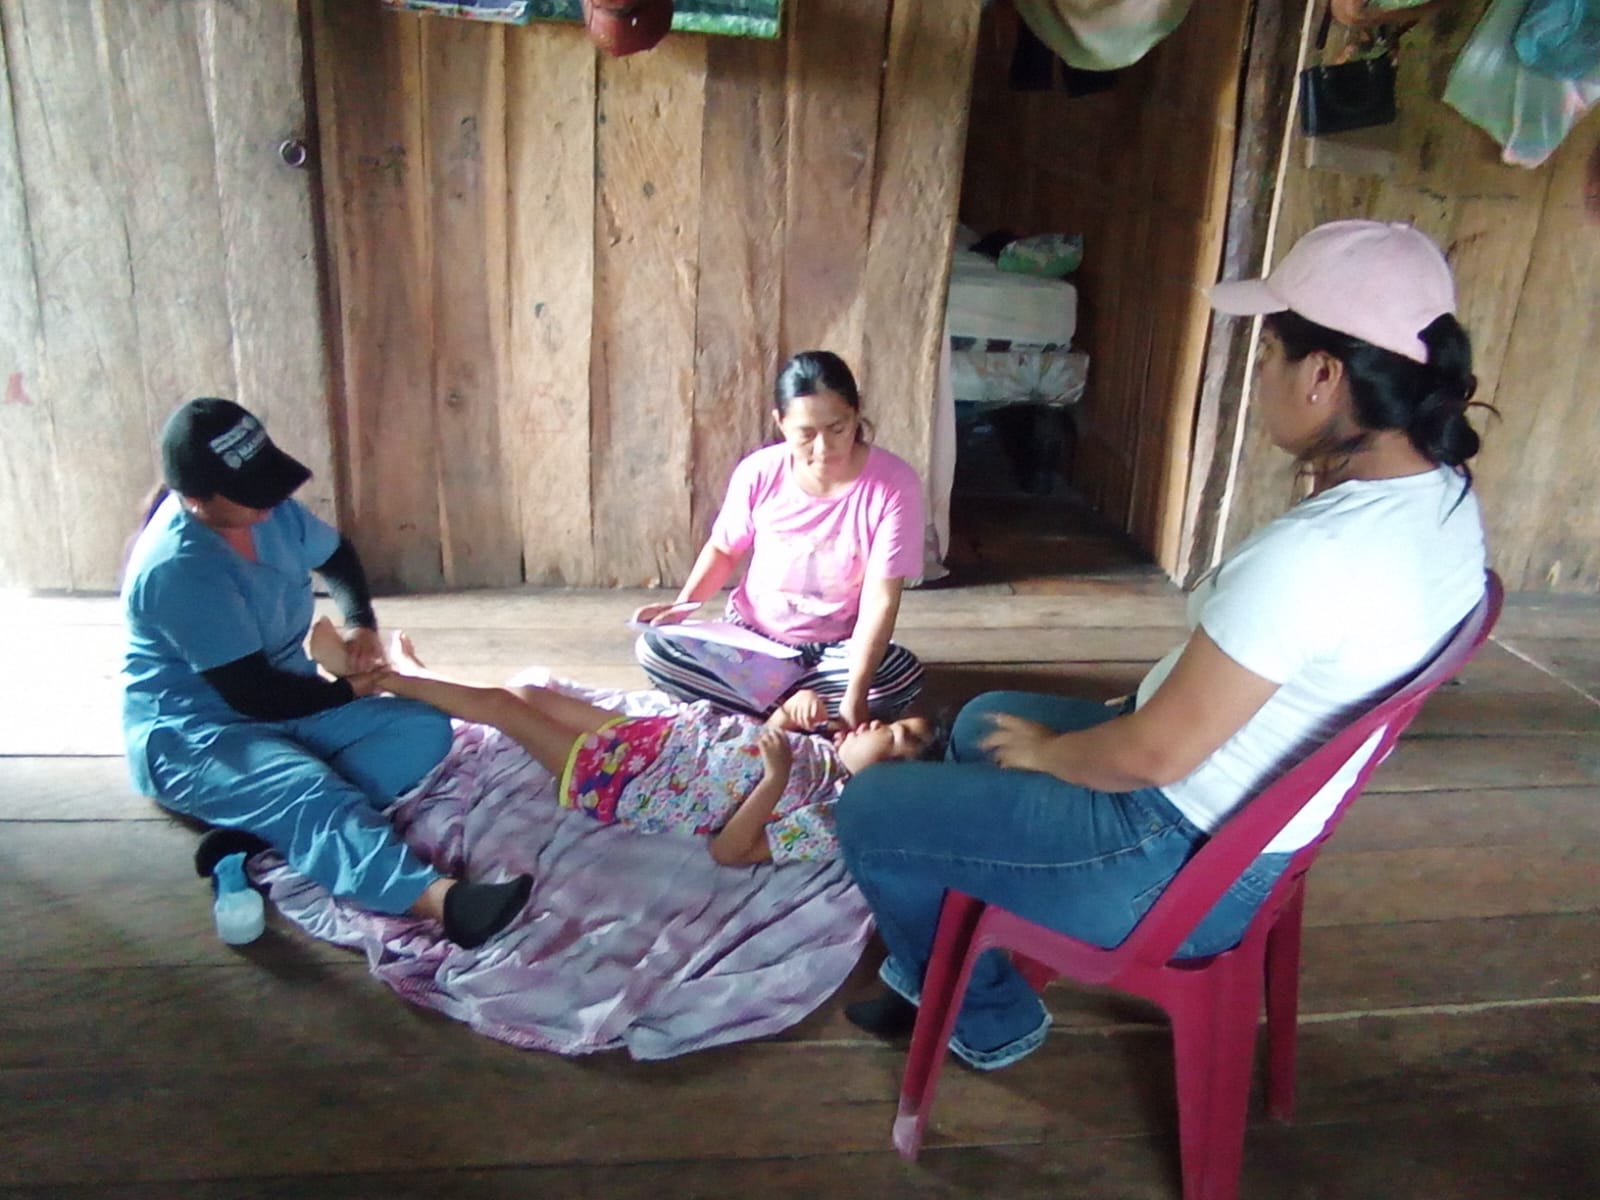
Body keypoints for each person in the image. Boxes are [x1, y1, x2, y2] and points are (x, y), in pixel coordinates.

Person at [833, 220, 1490, 1070]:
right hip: (1235, 829)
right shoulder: (1442, 504)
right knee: (983, 719)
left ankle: (986, 1014)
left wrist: (1053, 755)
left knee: (871, 807)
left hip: (1169, 859)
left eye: (1269, 356)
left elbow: (1153, 756)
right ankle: (945, 959)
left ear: (1324, 376)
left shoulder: (1322, 555)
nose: (1260, 375)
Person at [121, 398, 532, 949]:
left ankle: (257, 831)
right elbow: (255, 695)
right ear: (197, 500)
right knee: (307, 788)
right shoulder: (178, 568)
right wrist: (347, 690)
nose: (270, 501)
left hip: (285, 698)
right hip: (196, 733)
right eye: (250, 493)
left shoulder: (270, 514)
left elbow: (337, 557)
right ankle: (440, 900)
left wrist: (359, 623)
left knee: (422, 729)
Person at [310, 620, 938, 865]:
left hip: (634, 783)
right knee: (525, 693)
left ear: (890, 780)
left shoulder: (834, 815)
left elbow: (730, 852)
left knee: (504, 710)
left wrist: (774, 777)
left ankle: (376, 680)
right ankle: (424, 676)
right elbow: (758, 739)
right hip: (656, 740)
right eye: (896, 722)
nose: (881, 724)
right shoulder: (825, 743)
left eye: (895, 738)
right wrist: (783, 719)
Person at [634, 350, 927, 727]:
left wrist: (856, 694)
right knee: (655, 648)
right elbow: (724, 548)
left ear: (856, 415)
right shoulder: (759, 471)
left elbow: (880, 598)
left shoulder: (894, 485)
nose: (823, 448)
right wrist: (683, 607)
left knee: (898, 674)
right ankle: (798, 711)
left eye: (837, 429)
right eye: (806, 434)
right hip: (751, 640)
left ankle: (769, 706)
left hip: (834, 649)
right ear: (781, 423)